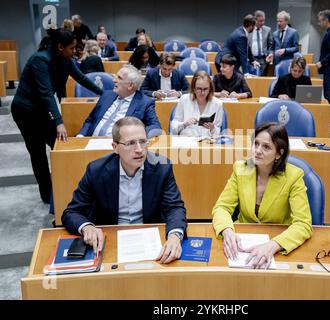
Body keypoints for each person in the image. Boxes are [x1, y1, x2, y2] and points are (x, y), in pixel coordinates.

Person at [63, 116, 187, 264]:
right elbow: (71, 212)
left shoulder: (162, 167)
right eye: (130, 143)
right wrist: (87, 227)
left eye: (143, 142)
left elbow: (174, 207)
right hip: (110, 239)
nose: (139, 150)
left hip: (150, 240)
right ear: (115, 147)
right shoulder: (96, 171)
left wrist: (174, 236)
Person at [11, 28, 103, 203]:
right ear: (60, 47)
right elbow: (46, 93)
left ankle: (66, 185)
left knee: (60, 145)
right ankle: (48, 196)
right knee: (37, 152)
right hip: (25, 111)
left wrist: (103, 93)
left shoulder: (64, 59)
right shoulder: (40, 60)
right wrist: (59, 122)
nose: (74, 51)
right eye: (71, 48)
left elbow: (81, 78)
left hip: (41, 110)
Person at [212, 123, 313, 269]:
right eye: (256, 144)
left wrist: (274, 245)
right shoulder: (241, 169)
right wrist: (227, 230)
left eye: (266, 147)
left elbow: (303, 224)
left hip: (277, 240)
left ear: (279, 153)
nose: (257, 151)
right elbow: (222, 207)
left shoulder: (294, 177)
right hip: (242, 240)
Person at [77, 65, 161, 138]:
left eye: (119, 78)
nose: (114, 80)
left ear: (130, 85)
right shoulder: (107, 95)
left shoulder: (144, 102)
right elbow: (90, 119)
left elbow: (155, 127)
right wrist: (81, 135)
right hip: (91, 141)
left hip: (119, 148)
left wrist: (136, 137)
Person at [170, 70, 224, 137]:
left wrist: (212, 129)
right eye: (199, 89)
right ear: (193, 88)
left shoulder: (218, 104)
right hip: (187, 142)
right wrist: (184, 124)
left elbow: (218, 132)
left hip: (207, 143)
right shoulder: (184, 100)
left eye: (205, 89)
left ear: (210, 89)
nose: (202, 93)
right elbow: (173, 127)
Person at [249, 10, 273, 76]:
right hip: (251, 59)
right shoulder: (249, 29)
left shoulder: (268, 30)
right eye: (260, 21)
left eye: (263, 20)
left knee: (262, 80)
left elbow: (270, 45)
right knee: (251, 79)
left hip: (263, 59)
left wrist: (270, 53)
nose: (262, 23)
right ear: (255, 20)